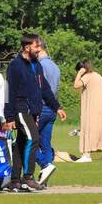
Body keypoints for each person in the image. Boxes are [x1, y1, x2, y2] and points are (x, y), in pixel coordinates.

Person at [4, 33, 65, 191]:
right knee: (34, 138)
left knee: (21, 143)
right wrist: (9, 116)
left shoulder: (37, 65)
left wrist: (57, 107)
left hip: (33, 110)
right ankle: (28, 178)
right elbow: (9, 92)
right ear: (26, 47)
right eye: (36, 46)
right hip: (21, 109)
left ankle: (15, 180)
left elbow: (44, 89)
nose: (39, 48)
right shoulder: (15, 65)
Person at [71, 60, 102, 164]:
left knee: (89, 128)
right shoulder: (98, 75)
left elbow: (76, 85)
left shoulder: (87, 76)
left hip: (93, 107)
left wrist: (80, 73)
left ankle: (86, 154)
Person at [35, 40, 63, 178]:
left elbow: (38, 89)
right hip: (52, 109)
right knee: (45, 143)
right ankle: (44, 177)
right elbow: (56, 90)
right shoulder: (55, 67)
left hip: (41, 108)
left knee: (29, 141)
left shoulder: (39, 66)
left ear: (39, 48)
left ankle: (45, 165)